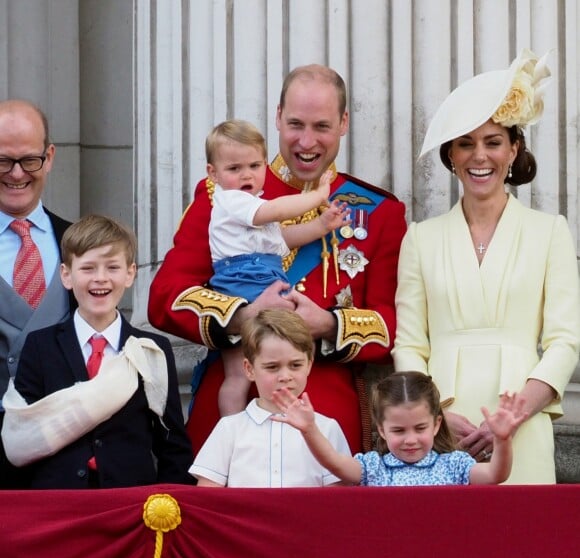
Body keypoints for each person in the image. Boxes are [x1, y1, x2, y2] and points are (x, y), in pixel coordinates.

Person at [148, 64, 408, 455]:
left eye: (321, 126)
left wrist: (329, 325)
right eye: (295, 124)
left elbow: (392, 326)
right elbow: (165, 297)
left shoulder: (378, 212)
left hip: (326, 423)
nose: (307, 141)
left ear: (343, 123)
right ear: (277, 118)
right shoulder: (226, 190)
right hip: (232, 418)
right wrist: (242, 315)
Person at [393, 49, 580, 484]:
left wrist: (514, 416)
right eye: (466, 143)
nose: (480, 156)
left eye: (493, 142)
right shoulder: (420, 237)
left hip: (522, 421)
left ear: (513, 149)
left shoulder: (549, 231)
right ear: (451, 156)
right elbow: (408, 343)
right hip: (437, 429)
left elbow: (564, 341)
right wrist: (433, 413)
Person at [1, 215, 194, 488]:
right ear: (66, 275)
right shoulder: (40, 346)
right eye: (88, 268)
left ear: (130, 274)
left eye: (112, 267)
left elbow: (172, 444)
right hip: (58, 506)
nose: (100, 279)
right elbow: (24, 436)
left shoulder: (152, 350)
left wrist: (167, 507)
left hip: (131, 506)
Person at [206, 119, 350, 416]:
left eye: (254, 166)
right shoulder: (233, 201)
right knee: (243, 373)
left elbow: (283, 239)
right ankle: (230, 431)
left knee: (270, 367)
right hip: (243, 284)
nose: (246, 175)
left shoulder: (253, 205)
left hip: (262, 274)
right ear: (213, 174)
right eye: (234, 169)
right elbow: (274, 212)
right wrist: (318, 197)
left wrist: (322, 224)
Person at [0, 99, 76, 488]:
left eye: (28, 160)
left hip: (63, 461)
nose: (16, 174)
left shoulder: (80, 243)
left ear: (49, 157)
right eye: (2, 161)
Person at [272, 371, 528, 486]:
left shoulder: (455, 466)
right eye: (398, 431)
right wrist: (309, 429)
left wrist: (502, 440)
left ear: (437, 424)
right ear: (381, 430)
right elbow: (336, 463)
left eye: (420, 428)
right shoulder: (373, 468)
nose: (410, 439)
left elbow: (496, 475)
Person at [190, 309, 350, 487]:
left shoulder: (327, 429)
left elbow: (338, 498)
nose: (285, 376)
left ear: (309, 365)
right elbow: (209, 494)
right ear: (249, 369)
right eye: (272, 367)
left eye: (295, 365)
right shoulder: (230, 429)